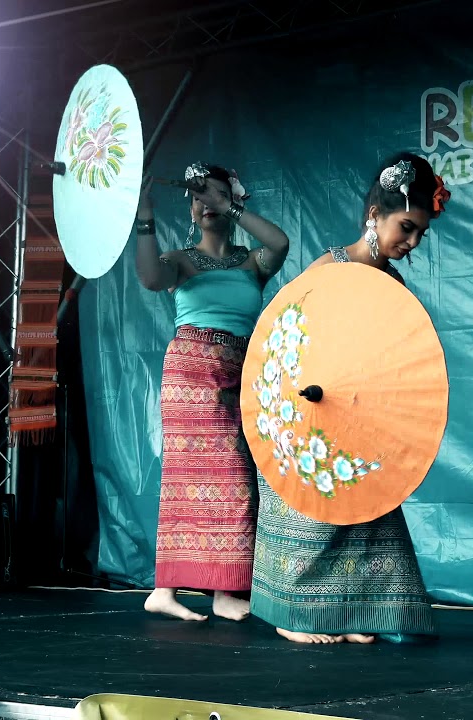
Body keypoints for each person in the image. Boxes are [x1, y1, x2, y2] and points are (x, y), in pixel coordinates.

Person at [250, 151, 451, 644]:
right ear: (374, 216)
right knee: (317, 506)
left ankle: (350, 611)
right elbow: (291, 338)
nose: (412, 242)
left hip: (357, 411)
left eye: (420, 234)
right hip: (306, 407)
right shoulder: (330, 268)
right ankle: (292, 613)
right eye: (406, 228)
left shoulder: (392, 283)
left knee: (368, 502)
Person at [134, 162, 291, 621]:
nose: (205, 202)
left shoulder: (252, 262)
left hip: (241, 373)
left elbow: (280, 243)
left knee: (231, 481)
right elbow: (150, 278)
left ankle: (206, 590)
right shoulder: (181, 260)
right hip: (191, 371)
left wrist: (229, 206)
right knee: (202, 477)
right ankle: (179, 589)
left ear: (232, 199)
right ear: (190, 208)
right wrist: (145, 216)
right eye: (197, 196)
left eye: (214, 194)